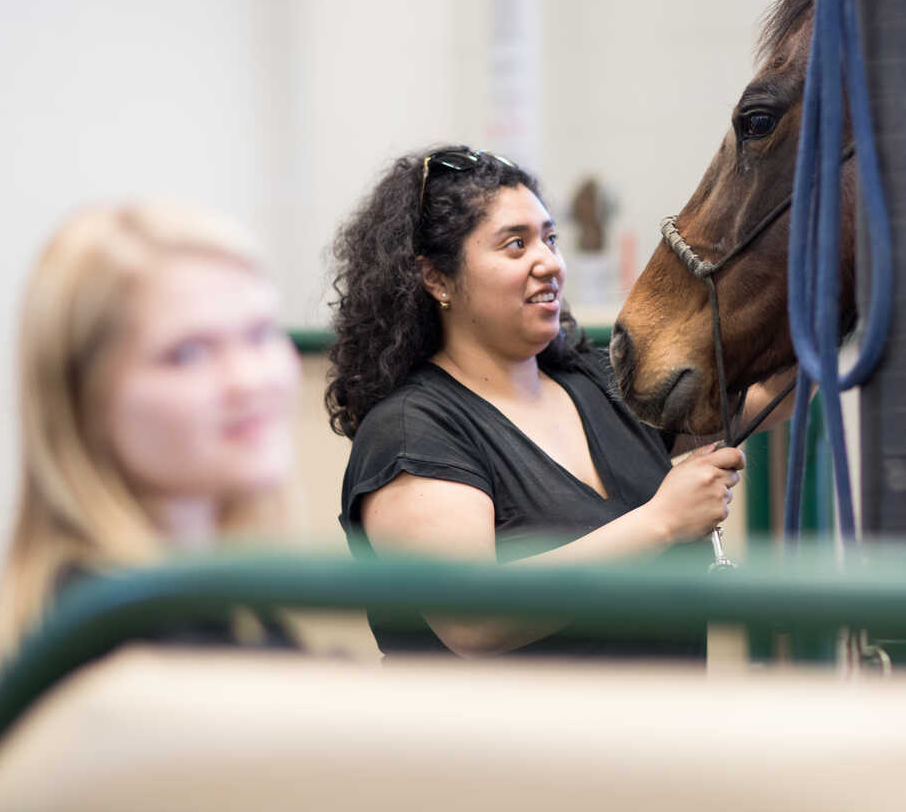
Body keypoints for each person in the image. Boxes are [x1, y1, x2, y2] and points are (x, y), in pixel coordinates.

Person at [328, 147, 792, 658]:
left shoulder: (597, 380)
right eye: (515, 245)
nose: (548, 262)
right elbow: (472, 617)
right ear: (437, 278)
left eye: (550, 239)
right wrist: (661, 521)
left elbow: (772, 393)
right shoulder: (412, 428)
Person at [0, 205, 302, 657]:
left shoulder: (202, 587)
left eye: (260, 334)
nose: (251, 379)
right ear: (85, 401)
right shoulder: (116, 631)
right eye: (188, 354)